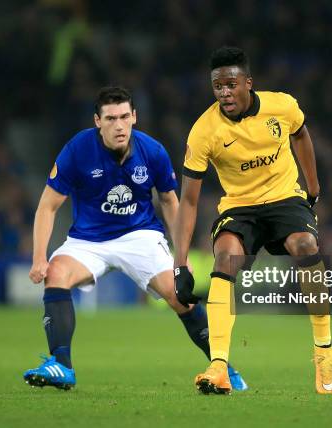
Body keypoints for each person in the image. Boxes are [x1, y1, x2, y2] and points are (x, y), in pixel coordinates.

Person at [23, 86, 247, 391]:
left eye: (124, 116)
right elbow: (47, 206)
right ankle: (61, 365)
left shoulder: (152, 151)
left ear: (134, 117)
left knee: (177, 295)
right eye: (111, 118)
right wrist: (39, 258)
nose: (119, 125)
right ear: (97, 121)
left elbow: (170, 202)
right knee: (56, 274)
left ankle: (224, 369)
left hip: (140, 235)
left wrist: (180, 258)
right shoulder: (77, 150)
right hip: (88, 240)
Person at [173, 47, 332, 395]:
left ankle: (324, 351)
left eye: (231, 84)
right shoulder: (204, 131)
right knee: (225, 257)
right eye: (217, 87)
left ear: (248, 83)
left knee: (307, 246)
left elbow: (301, 135)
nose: (224, 93)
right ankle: (218, 365)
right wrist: (180, 264)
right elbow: (188, 200)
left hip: (284, 198)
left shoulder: (282, 106)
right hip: (239, 206)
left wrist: (313, 190)